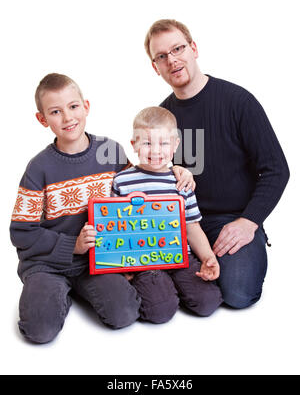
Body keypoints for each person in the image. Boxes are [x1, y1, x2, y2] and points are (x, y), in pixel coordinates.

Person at [10, 73, 195, 343]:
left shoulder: (110, 151)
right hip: (47, 264)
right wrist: (72, 245)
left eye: (73, 107)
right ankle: (52, 293)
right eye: (55, 112)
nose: (67, 117)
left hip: (97, 262)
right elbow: (22, 232)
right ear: (42, 119)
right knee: (40, 331)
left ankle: (80, 291)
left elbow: (141, 182)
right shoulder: (39, 168)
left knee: (124, 314)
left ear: (86, 106)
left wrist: (174, 169)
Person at [144, 19, 290, 309]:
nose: (171, 60)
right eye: (161, 56)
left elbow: (276, 170)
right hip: (182, 220)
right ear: (155, 67)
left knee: (237, 293)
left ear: (193, 48)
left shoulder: (238, 101)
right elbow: (154, 171)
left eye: (178, 48)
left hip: (233, 219)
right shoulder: (162, 115)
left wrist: (249, 222)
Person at [111, 106, 223, 323]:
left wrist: (208, 257)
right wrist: (121, 266)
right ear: (134, 145)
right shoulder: (122, 182)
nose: (155, 151)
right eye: (147, 143)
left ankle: (176, 287)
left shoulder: (181, 182)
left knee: (208, 302)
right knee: (159, 312)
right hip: (145, 261)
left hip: (182, 257)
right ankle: (161, 291)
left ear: (175, 145)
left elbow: (192, 227)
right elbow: (116, 230)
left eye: (163, 143)